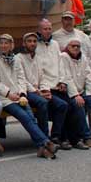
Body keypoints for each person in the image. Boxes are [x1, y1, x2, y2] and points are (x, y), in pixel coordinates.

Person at [0, 34, 58, 159]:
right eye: (1, 43)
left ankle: (42, 147)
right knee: (24, 117)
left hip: (19, 96)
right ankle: (46, 142)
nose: (4, 46)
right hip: (5, 98)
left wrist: (21, 93)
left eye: (7, 43)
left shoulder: (15, 59)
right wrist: (9, 94)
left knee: (30, 117)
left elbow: (21, 78)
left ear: (11, 45)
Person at [14, 33, 75, 149]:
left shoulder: (37, 58)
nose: (32, 43)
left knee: (62, 105)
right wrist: (38, 92)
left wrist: (45, 89)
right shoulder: (18, 58)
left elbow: (42, 77)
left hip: (39, 90)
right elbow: (20, 79)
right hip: (26, 91)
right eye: (29, 41)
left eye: (34, 41)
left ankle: (55, 137)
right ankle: (44, 137)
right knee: (43, 102)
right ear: (24, 43)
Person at [35, 18, 75, 150]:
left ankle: (69, 137)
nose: (47, 31)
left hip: (57, 84)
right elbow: (38, 70)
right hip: (46, 87)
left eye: (49, 28)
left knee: (71, 104)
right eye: (45, 29)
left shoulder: (55, 44)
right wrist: (44, 88)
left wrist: (62, 81)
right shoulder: (36, 46)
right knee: (61, 105)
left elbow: (61, 64)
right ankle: (57, 137)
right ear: (39, 30)